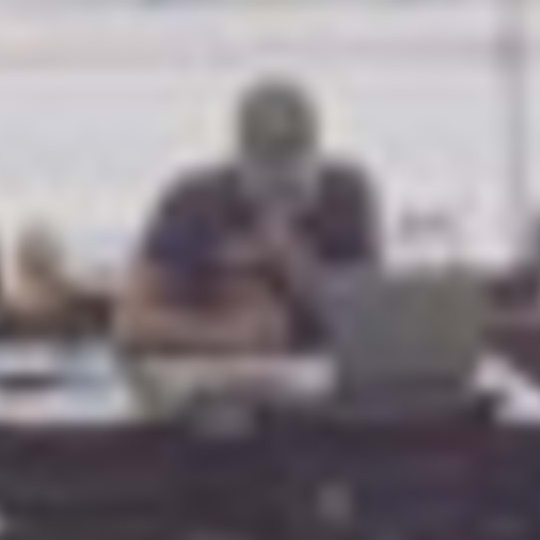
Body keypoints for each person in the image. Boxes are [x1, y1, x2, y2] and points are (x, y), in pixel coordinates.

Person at [121, 77, 383, 357]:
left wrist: (299, 269)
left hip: (315, 367)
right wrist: (224, 336)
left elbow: (368, 318)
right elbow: (132, 325)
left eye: (291, 182)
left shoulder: (344, 196)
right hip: (212, 367)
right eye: (267, 178)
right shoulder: (192, 203)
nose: (279, 198)